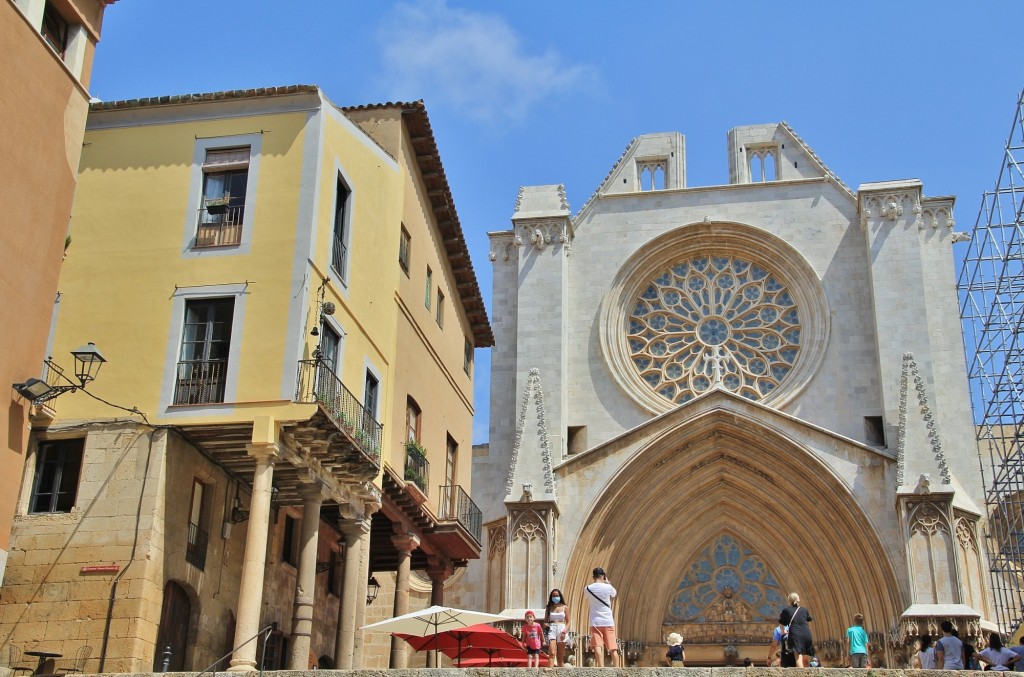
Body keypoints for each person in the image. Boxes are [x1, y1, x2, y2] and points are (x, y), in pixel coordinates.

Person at [585, 566, 619, 667]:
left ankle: (601, 667)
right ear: (603, 576)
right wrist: (607, 582)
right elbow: (614, 594)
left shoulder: (587, 588)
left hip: (595, 621)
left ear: (593, 577)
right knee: (613, 647)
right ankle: (616, 669)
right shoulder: (608, 587)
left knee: (597, 646)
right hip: (608, 621)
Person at [779, 592, 813, 668]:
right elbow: (809, 623)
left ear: (789, 601)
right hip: (806, 633)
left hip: (795, 634)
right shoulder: (804, 610)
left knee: (798, 657)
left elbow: (781, 624)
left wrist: (783, 632)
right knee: (806, 659)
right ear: (798, 600)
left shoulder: (786, 610)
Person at [545, 588, 570, 667]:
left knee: (560, 656)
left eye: (557, 595)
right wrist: (546, 625)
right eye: (553, 596)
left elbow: (568, 621)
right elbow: (545, 621)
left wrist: (564, 631)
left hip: (562, 628)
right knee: (552, 653)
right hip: (552, 628)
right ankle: (549, 671)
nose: (555, 597)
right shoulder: (549, 608)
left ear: (560, 596)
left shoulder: (565, 607)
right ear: (551, 597)